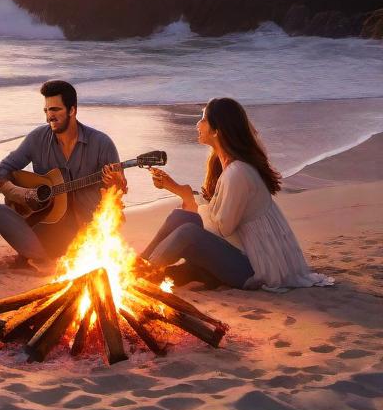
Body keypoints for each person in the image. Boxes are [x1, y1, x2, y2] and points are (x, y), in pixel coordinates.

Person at [142, 97, 333, 291]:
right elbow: (215, 220)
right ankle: (137, 266)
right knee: (180, 217)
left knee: (188, 232)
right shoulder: (226, 165)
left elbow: (223, 228)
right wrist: (180, 192)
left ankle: (141, 275)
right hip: (240, 252)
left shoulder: (238, 173)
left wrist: (187, 197)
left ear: (217, 131)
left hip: (256, 267)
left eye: (204, 119)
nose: (198, 124)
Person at [0, 79, 125, 266]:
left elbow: (119, 192)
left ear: (72, 110)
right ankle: (42, 259)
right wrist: (22, 194)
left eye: (55, 110)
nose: (49, 117)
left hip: (87, 229)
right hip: (47, 226)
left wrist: (116, 183)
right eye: (46, 110)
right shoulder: (37, 138)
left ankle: (36, 257)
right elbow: (2, 170)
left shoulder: (102, 143)